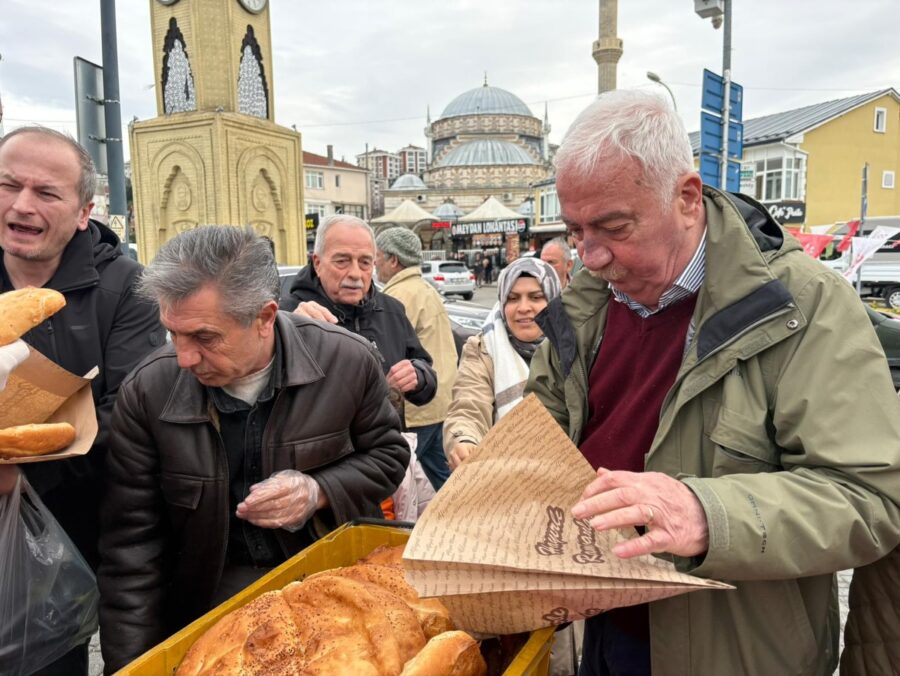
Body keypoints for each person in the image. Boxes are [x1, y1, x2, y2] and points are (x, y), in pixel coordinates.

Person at [527, 89, 900, 676]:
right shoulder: (586, 303)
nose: (590, 256)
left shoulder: (803, 304)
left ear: (687, 197)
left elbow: (871, 499)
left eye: (613, 227)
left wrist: (708, 513)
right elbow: (547, 425)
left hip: (735, 649)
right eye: (574, 230)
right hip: (600, 628)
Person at [98, 225, 409, 671]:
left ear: (264, 317)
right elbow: (131, 547)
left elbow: (389, 456)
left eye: (204, 338)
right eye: (173, 334)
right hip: (209, 608)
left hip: (331, 592)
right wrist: (131, 667)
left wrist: (317, 490)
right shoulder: (149, 389)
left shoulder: (347, 360)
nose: (184, 358)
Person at [0, 127, 164, 675]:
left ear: (82, 211)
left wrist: (23, 471)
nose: (22, 204)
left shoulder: (125, 289)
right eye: (7, 184)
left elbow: (130, 414)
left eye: (46, 193)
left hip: (62, 545)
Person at [280, 215, 437, 410]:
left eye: (364, 262)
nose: (355, 273)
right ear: (317, 264)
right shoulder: (288, 315)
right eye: (342, 261)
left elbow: (425, 372)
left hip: (386, 439)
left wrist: (419, 375)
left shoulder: (392, 310)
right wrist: (291, 336)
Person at [443, 257, 560, 470]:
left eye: (536, 297)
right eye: (513, 299)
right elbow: (468, 403)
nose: (524, 307)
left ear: (553, 301)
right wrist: (464, 440)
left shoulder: (575, 345)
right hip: (507, 478)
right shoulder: (483, 348)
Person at [374, 227, 457, 489]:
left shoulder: (398, 297)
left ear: (393, 260)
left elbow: (391, 353)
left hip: (417, 409)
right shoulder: (424, 288)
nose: (375, 263)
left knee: (398, 482)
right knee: (443, 480)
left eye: (376, 256)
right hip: (439, 402)